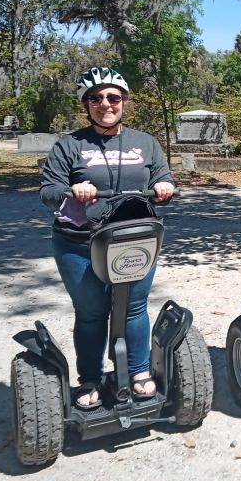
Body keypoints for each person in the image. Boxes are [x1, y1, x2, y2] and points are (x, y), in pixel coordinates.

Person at [40, 67, 175, 409]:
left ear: (124, 101)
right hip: (80, 243)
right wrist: (72, 189)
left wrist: (165, 186)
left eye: (113, 97)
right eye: (95, 98)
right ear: (86, 104)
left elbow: (162, 174)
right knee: (91, 312)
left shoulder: (145, 142)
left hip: (134, 239)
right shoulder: (70, 145)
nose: (105, 103)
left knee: (133, 307)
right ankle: (90, 378)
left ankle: (139, 372)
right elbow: (48, 190)